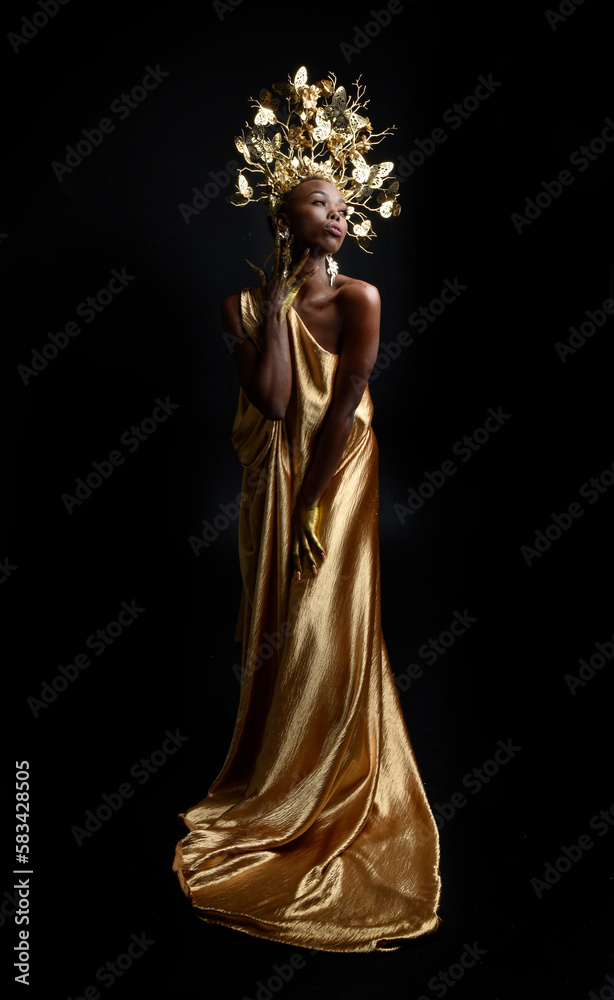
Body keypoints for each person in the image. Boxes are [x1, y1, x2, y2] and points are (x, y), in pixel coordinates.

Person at [172, 68, 442, 953]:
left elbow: (344, 401)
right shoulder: (242, 307)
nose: (335, 217)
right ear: (282, 218)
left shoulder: (362, 298)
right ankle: (273, 778)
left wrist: (317, 509)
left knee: (326, 616)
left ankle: (329, 784)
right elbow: (279, 406)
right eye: (316, 206)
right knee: (276, 619)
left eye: (340, 206)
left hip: (339, 467)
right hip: (275, 471)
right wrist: (279, 307)